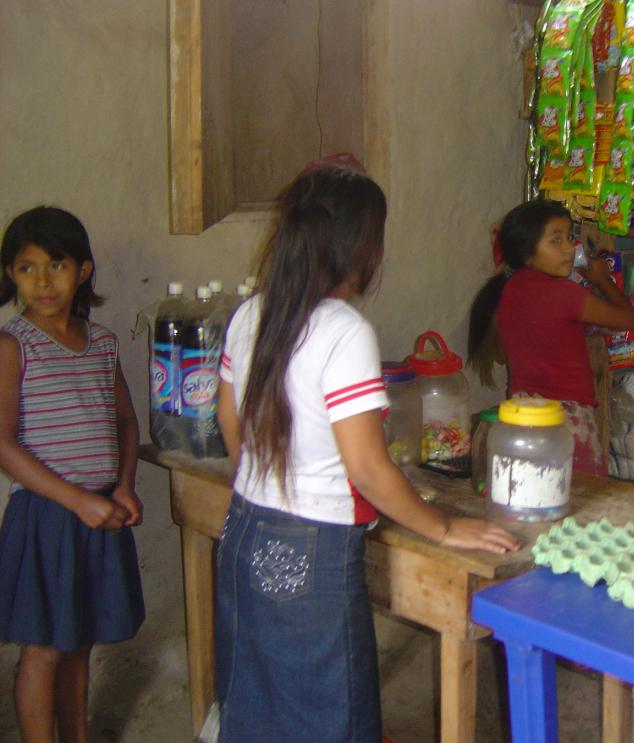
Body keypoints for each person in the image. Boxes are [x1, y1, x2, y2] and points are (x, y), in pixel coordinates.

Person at [214, 154, 519, 742]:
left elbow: (228, 416)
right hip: (314, 548)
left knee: (258, 700)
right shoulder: (344, 331)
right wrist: (443, 527)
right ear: (360, 248)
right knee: (335, 714)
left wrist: (264, 483)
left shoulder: (252, 312)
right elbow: (368, 468)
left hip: (245, 531)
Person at [0, 206, 144, 743]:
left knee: (79, 641)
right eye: (26, 268)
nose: (42, 281)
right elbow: (2, 443)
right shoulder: (13, 346)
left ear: (83, 271)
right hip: (46, 518)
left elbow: (126, 421)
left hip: (101, 511)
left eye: (56, 265)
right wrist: (74, 501)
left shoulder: (102, 344)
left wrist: (124, 483)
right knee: (43, 648)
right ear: (11, 274)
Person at [468, 200, 634, 477]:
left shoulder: (509, 290)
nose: (569, 248)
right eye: (555, 241)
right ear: (528, 253)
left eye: (570, 237)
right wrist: (604, 280)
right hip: (566, 421)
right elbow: (626, 320)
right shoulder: (565, 295)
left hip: (521, 416)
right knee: (579, 501)